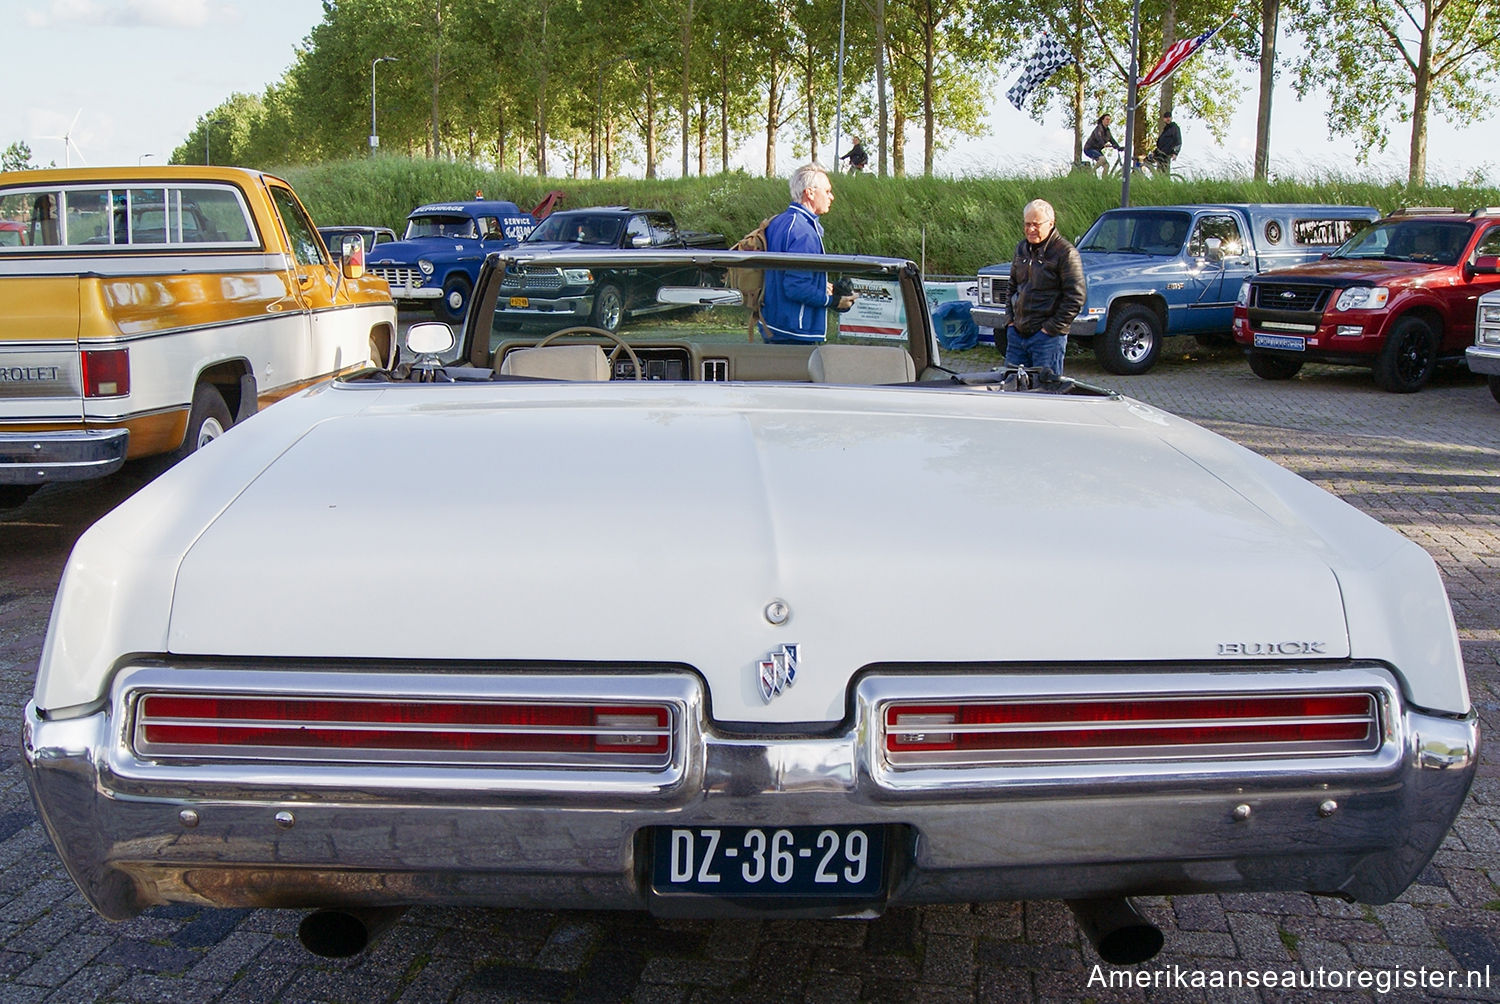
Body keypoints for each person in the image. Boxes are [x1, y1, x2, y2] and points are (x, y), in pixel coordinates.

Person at [760, 163, 855, 343]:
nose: (832, 197)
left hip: (773, 324)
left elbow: (783, 276)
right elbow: (796, 287)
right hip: (795, 331)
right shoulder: (804, 231)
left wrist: (822, 285)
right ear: (810, 193)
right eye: (827, 192)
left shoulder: (778, 222)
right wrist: (833, 301)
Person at [1005, 199, 1086, 374]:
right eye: (1027, 224)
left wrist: (1049, 329)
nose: (1030, 229)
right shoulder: (1021, 249)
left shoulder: (1066, 253)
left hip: (1047, 340)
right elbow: (1012, 286)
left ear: (1051, 223)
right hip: (1017, 336)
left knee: (1045, 394)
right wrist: (1010, 321)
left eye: (1036, 224)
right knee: (1010, 392)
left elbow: (1076, 298)